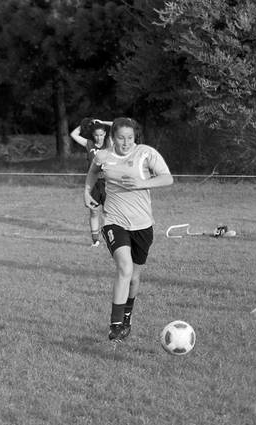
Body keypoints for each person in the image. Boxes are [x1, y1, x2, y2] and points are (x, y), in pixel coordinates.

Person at [84, 117, 173, 341]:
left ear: (136, 138)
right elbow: (93, 172)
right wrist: (87, 192)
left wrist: (144, 183)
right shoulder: (103, 156)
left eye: (130, 138)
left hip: (143, 225)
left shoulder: (145, 153)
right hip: (114, 220)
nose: (126, 142)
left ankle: (126, 318)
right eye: (121, 138)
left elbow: (167, 178)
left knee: (134, 277)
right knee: (124, 268)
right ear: (112, 138)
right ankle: (115, 324)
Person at [71, 118, 112, 246]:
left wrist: (102, 122)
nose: (99, 138)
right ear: (92, 135)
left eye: (101, 135)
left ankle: (110, 237)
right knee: (94, 211)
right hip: (93, 182)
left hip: (108, 182)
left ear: (105, 134)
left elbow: (119, 124)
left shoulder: (109, 142)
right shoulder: (89, 144)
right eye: (96, 135)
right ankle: (95, 240)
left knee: (108, 212)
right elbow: (73, 134)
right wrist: (84, 125)